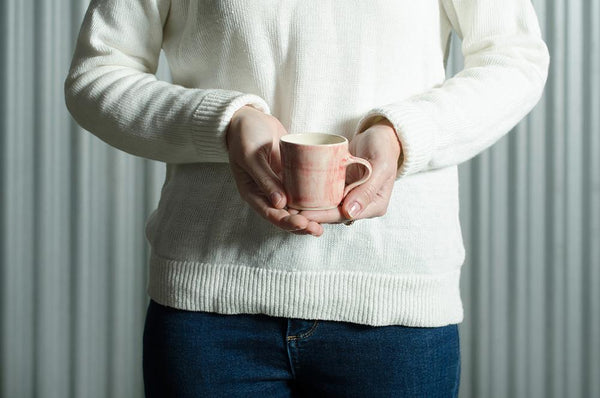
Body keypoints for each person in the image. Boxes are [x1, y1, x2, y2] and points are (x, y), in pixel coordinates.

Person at [64, 0, 550, 396]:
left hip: (395, 307)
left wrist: (404, 133)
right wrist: (225, 122)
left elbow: (514, 58)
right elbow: (98, 74)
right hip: (210, 310)